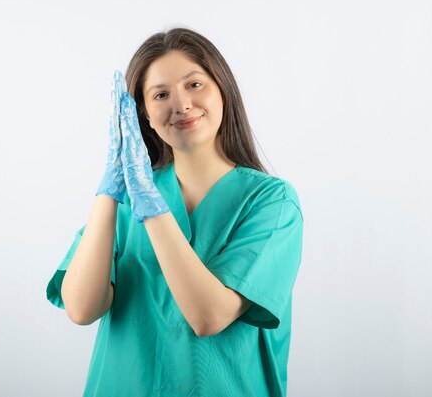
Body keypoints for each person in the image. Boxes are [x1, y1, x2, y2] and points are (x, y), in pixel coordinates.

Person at [46, 27, 304, 397]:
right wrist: (111, 187)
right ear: (142, 116)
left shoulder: (272, 203)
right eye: (161, 94)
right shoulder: (124, 203)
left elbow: (207, 316)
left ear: (223, 90)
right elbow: (82, 308)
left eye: (194, 85)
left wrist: (150, 203)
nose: (181, 104)